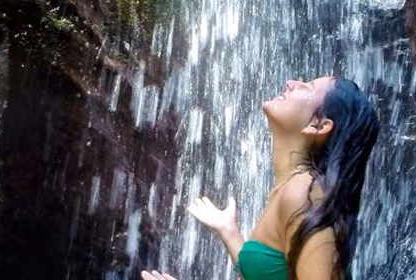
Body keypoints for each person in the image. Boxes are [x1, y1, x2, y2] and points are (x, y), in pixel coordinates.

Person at [140, 75, 380, 280]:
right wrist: (229, 232)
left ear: (318, 126)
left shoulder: (307, 194)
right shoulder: (290, 187)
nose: (291, 83)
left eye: (307, 87)